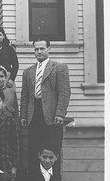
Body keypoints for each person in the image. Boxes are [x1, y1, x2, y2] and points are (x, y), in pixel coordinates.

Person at [20, 37, 71, 169]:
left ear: (49, 49)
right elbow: (25, 96)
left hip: (52, 116)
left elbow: (64, 93)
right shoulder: (28, 72)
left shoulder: (59, 68)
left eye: (42, 48)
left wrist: (60, 114)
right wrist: (24, 116)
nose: (39, 52)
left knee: (52, 152)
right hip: (34, 116)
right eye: (36, 49)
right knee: (34, 153)